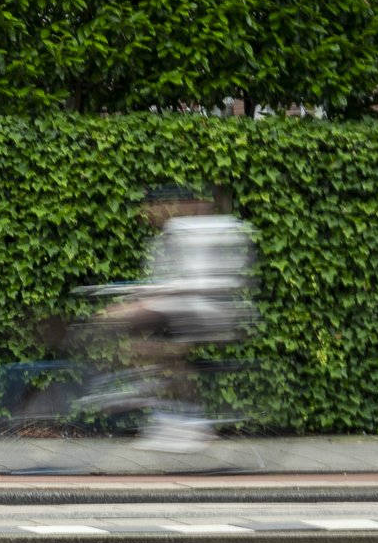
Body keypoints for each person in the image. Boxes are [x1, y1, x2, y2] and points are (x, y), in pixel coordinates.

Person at [86, 186, 254, 453]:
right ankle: (164, 408)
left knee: (147, 339)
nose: (152, 214)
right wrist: (130, 298)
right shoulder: (173, 232)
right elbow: (164, 283)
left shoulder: (209, 230)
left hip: (205, 311)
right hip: (181, 308)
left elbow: (200, 282)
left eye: (155, 208)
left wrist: (139, 303)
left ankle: (180, 418)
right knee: (140, 342)